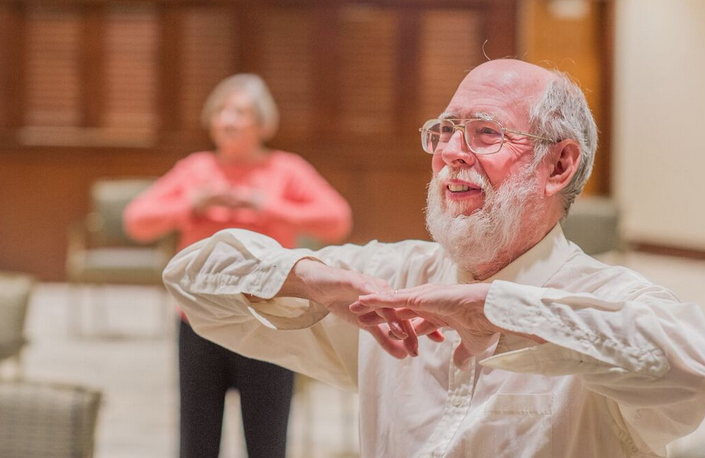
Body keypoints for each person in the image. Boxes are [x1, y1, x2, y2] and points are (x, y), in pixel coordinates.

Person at [162, 60, 705, 457]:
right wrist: (309, 278)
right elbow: (190, 279)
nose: (449, 152)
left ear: (558, 166)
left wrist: (509, 313)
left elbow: (692, 367)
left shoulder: (605, 299)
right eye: (444, 131)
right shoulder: (392, 282)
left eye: (485, 133)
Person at [124, 74, 352, 458]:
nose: (227, 120)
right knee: (196, 441)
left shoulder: (285, 168)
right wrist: (192, 203)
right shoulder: (196, 168)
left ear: (262, 123)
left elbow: (336, 218)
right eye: (220, 111)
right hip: (199, 320)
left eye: (239, 112)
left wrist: (264, 205)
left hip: (269, 321)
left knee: (266, 442)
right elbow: (137, 220)